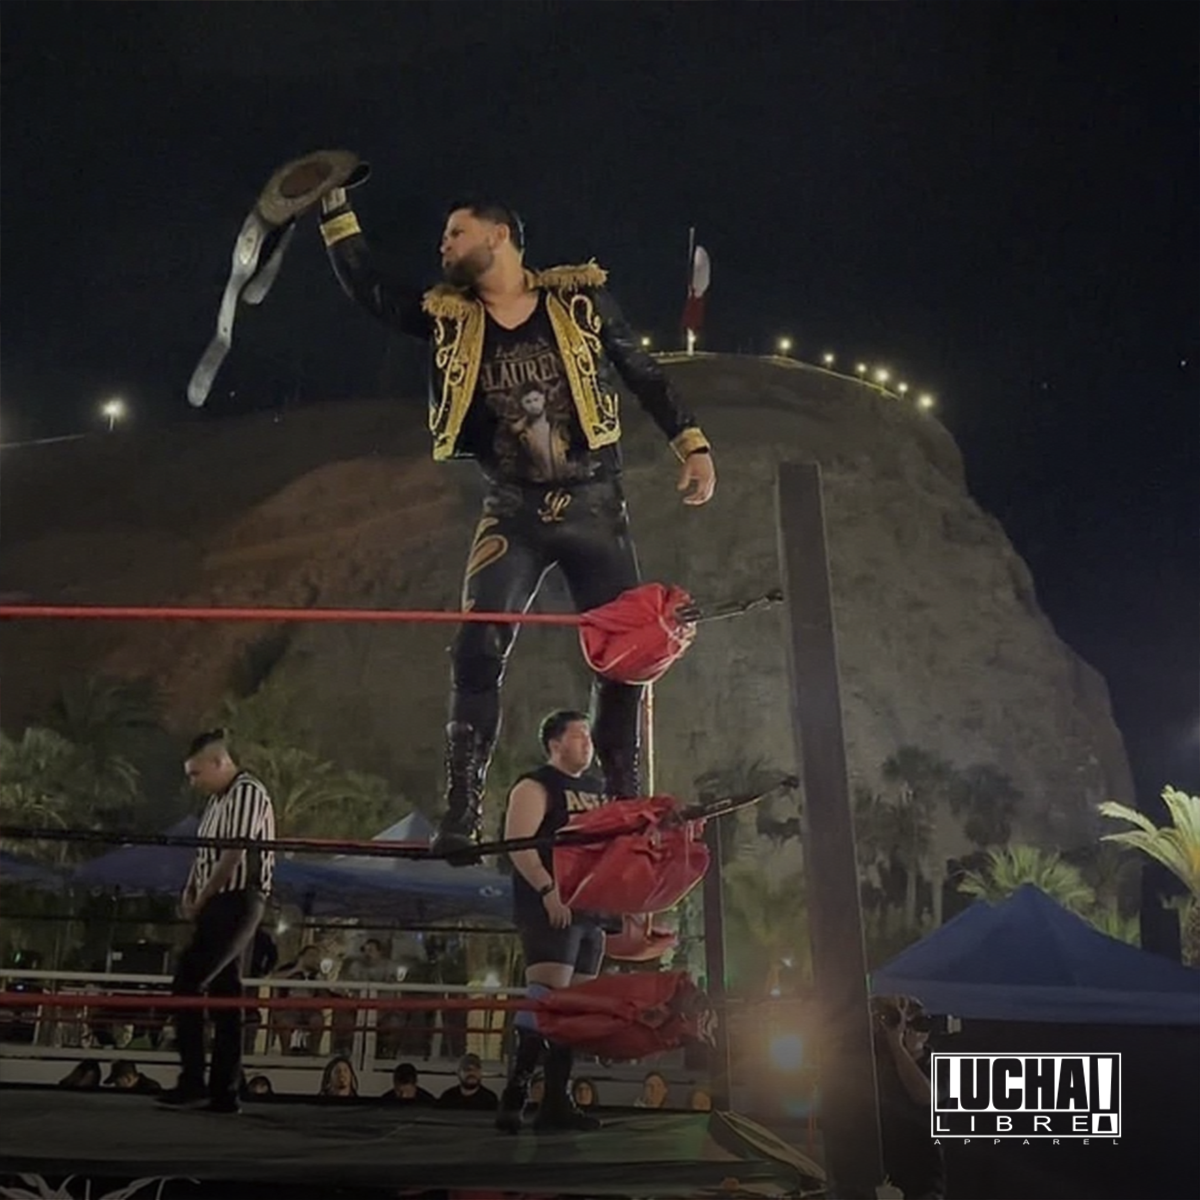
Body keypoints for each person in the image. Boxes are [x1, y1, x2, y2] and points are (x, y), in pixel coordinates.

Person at [319, 189, 717, 854]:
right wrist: (334, 210)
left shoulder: (579, 302)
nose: (443, 245)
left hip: (594, 506)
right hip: (513, 510)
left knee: (623, 659)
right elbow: (375, 293)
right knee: (476, 648)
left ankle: (623, 809)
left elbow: (643, 370)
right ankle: (461, 812)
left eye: (456, 232)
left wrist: (692, 443)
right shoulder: (451, 317)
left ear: (498, 235)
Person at [495, 711, 606, 1134]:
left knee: (574, 1007)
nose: (587, 743)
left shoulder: (597, 789)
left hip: (591, 907)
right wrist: (546, 888)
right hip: (551, 905)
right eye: (578, 736)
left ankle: (557, 1101)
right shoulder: (536, 785)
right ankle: (516, 1093)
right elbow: (518, 843)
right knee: (547, 998)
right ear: (555, 743)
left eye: (588, 735)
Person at [158, 730, 275, 1115]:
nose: (193, 782)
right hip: (220, 900)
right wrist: (191, 890)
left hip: (238, 898)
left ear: (218, 763)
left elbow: (233, 853)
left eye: (196, 773)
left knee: (188, 980)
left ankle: (194, 1081)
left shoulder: (247, 792)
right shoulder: (215, 803)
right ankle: (224, 1091)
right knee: (227, 994)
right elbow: (205, 855)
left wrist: (202, 895)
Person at [871, 995, 946, 1200]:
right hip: (883, 1178)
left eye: (918, 1024)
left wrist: (897, 1045)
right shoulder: (879, 1066)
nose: (909, 1031)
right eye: (902, 1023)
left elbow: (924, 1096)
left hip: (922, 1184)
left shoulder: (940, 1065)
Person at [332, 937, 403, 1056]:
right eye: (365, 950)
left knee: (394, 1023)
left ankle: (387, 1054)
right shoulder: (355, 966)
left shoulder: (389, 966)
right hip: (356, 1008)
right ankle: (347, 1051)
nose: (367, 954)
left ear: (379, 952)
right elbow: (349, 986)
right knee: (343, 1019)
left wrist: (377, 1010)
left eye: (371, 950)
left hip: (383, 1010)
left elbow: (390, 990)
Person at [270, 944, 326, 1054]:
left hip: (310, 1009)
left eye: (317, 956)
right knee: (285, 1023)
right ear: (301, 957)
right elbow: (273, 979)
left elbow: (325, 994)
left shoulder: (317, 975)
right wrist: (296, 970)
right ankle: (285, 1053)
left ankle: (314, 1053)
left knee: (317, 1021)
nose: (314, 959)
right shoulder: (287, 968)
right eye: (311, 955)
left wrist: (320, 978)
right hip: (287, 1008)